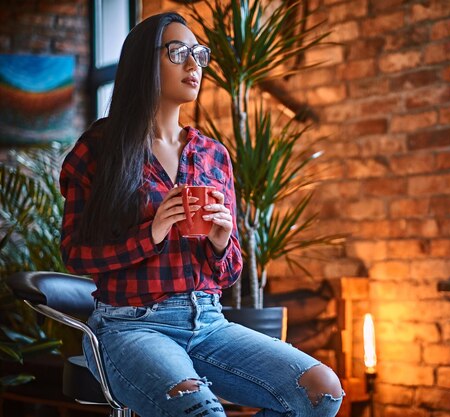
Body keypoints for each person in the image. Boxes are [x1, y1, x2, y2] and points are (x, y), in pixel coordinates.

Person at [59, 11, 343, 417]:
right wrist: (151, 233)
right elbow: (75, 254)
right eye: (178, 53)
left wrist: (221, 240)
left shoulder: (213, 155)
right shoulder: (98, 149)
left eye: (198, 54)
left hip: (210, 322)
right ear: (144, 61)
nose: (194, 65)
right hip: (130, 326)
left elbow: (227, 274)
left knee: (322, 391)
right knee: (198, 409)